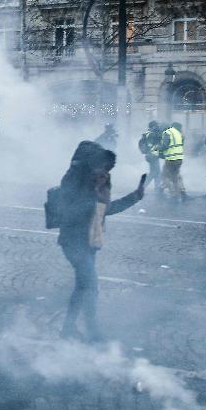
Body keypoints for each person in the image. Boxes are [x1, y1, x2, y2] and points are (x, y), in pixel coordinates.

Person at [47, 141, 145, 341]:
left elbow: (106, 210)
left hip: (91, 241)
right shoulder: (74, 181)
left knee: (83, 286)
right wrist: (94, 197)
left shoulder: (100, 182)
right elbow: (70, 211)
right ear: (92, 166)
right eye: (102, 170)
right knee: (90, 285)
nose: (105, 175)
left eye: (108, 171)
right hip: (73, 241)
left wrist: (135, 196)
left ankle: (68, 328)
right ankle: (91, 330)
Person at [159, 121, 187, 200]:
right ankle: (180, 191)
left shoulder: (167, 133)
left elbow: (164, 146)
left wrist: (158, 149)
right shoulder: (178, 133)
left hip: (171, 159)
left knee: (165, 175)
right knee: (176, 176)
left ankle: (173, 194)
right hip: (179, 158)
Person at [138, 121, 163, 193]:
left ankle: (157, 189)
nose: (158, 126)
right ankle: (142, 187)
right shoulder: (151, 134)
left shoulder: (150, 134)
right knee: (154, 173)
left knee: (157, 172)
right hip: (152, 156)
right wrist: (154, 153)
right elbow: (151, 145)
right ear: (153, 126)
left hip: (152, 155)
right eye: (156, 125)